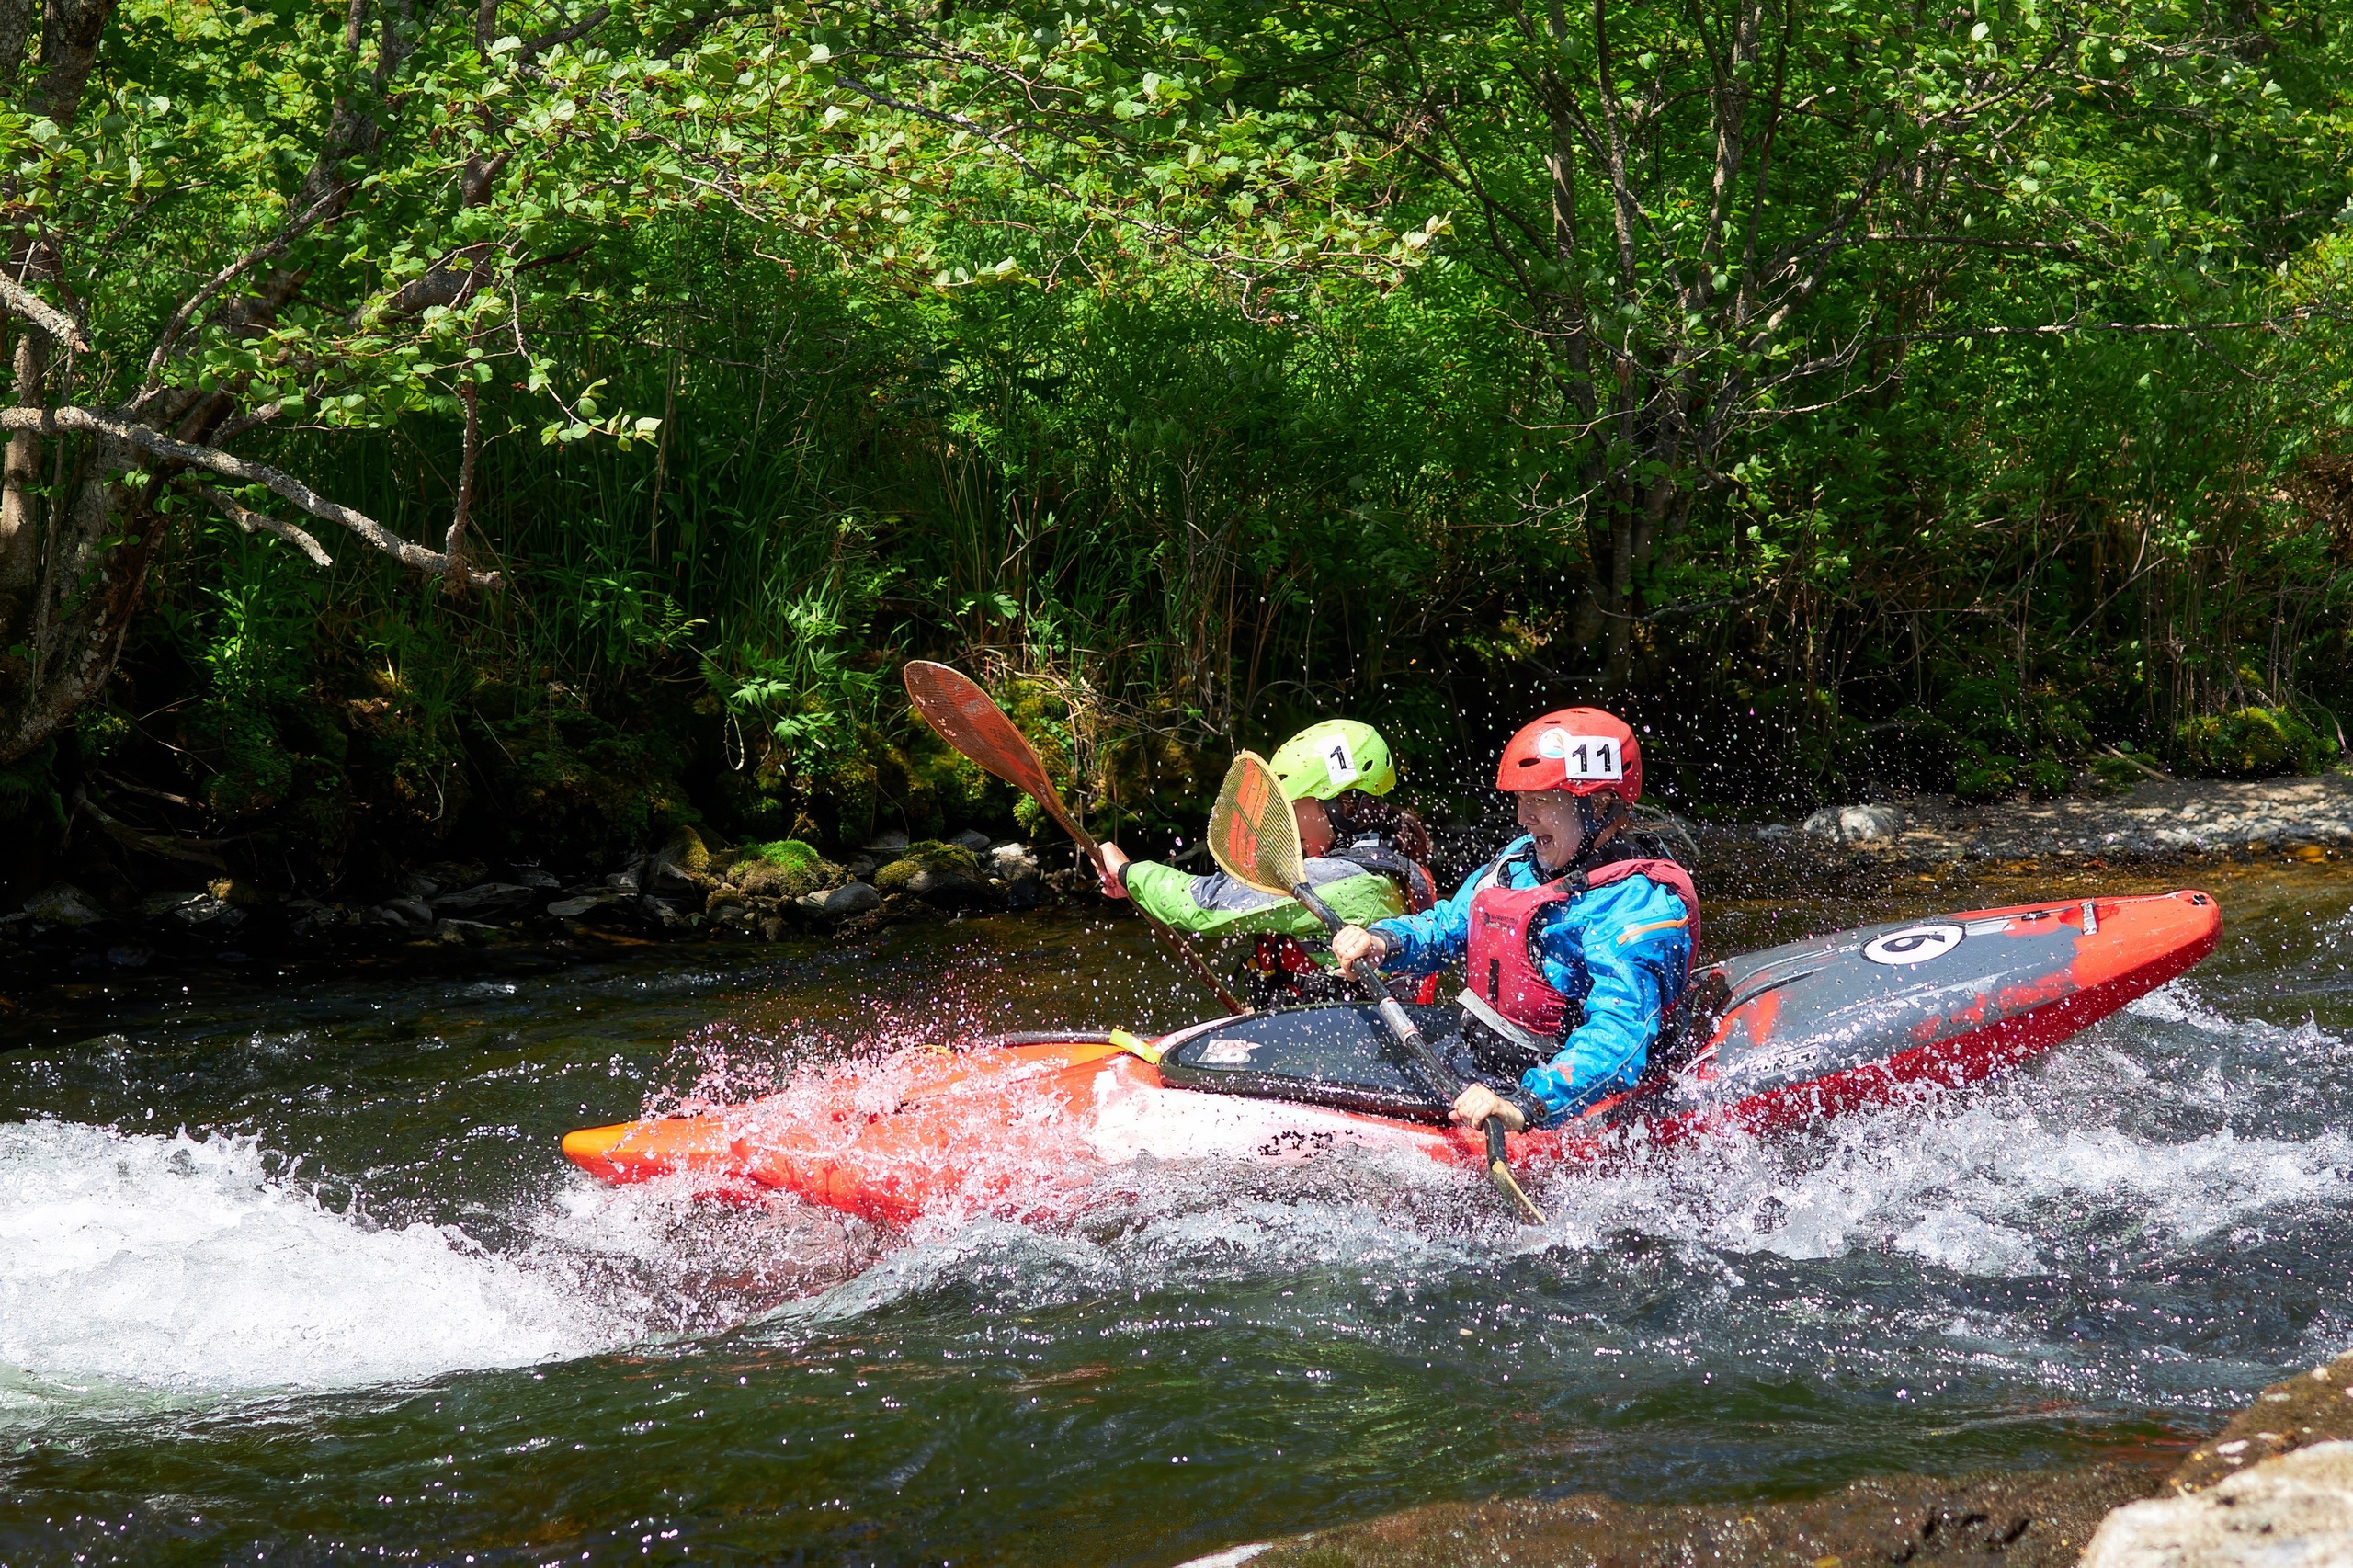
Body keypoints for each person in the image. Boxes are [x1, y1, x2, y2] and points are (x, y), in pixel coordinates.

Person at [1330, 707, 1699, 1133]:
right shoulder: (1518, 864)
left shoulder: (1637, 907)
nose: (1525, 819)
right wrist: (1382, 942)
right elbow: (1451, 924)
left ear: (1599, 804)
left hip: (1556, 1099)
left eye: (1541, 802)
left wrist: (1525, 1105)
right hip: (1482, 1063)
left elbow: (1619, 1033)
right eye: (1522, 802)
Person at [1097, 719, 1439, 1006]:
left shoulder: (1341, 880)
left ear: (1341, 809)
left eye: (1291, 807)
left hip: (1331, 1057)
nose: (1280, 821)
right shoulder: (1389, 862)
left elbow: (1205, 905)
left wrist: (1127, 872)